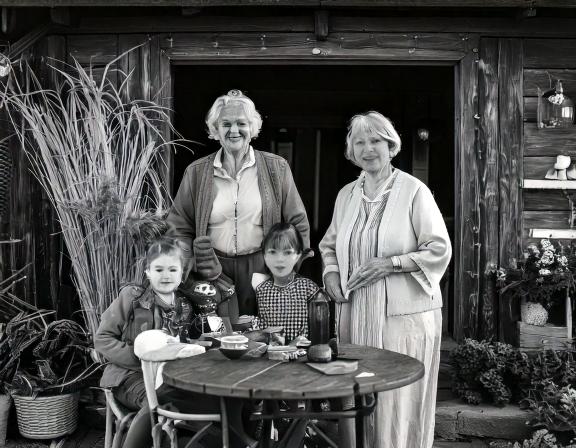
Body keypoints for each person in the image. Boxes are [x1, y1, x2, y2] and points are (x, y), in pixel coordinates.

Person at [319, 111, 452, 448]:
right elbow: (329, 245)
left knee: (397, 399)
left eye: (375, 140)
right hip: (355, 314)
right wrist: (331, 272)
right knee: (356, 391)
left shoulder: (414, 191)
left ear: (391, 145)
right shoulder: (347, 195)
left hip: (402, 320)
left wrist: (391, 264)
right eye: (359, 142)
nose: (368, 149)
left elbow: (439, 248)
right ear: (351, 151)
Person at [94, 237, 254, 448]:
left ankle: (219, 440)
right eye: (159, 269)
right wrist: (141, 357)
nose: (166, 275)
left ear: (181, 275)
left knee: (219, 397)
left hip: (169, 376)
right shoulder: (132, 298)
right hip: (129, 376)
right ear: (148, 272)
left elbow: (184, 342)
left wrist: (196, 345)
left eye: (172, 270)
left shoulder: (184, 305)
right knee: (159, 401)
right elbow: (102, 339)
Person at [167, 89, 311, 320]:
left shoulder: (277, 168)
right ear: (215, 129)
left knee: (263, 332)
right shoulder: (196, 172)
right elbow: (179, 226)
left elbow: (297, 222)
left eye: (241, 123)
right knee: (216, 334)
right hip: (212, 271)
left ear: (252, 128)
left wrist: (287, 269)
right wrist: (190, 265)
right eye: (226, 124)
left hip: (263, 268)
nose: (234, 130)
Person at [252, 223, 318, 343]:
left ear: (298, 256)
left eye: (287, 252)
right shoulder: (261, 290)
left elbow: (318, 331)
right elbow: (261, 331)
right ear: (264, 256)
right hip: (271, 353)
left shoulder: (309, 289)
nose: (280, 259)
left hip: (301, 352)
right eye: (273, 252)